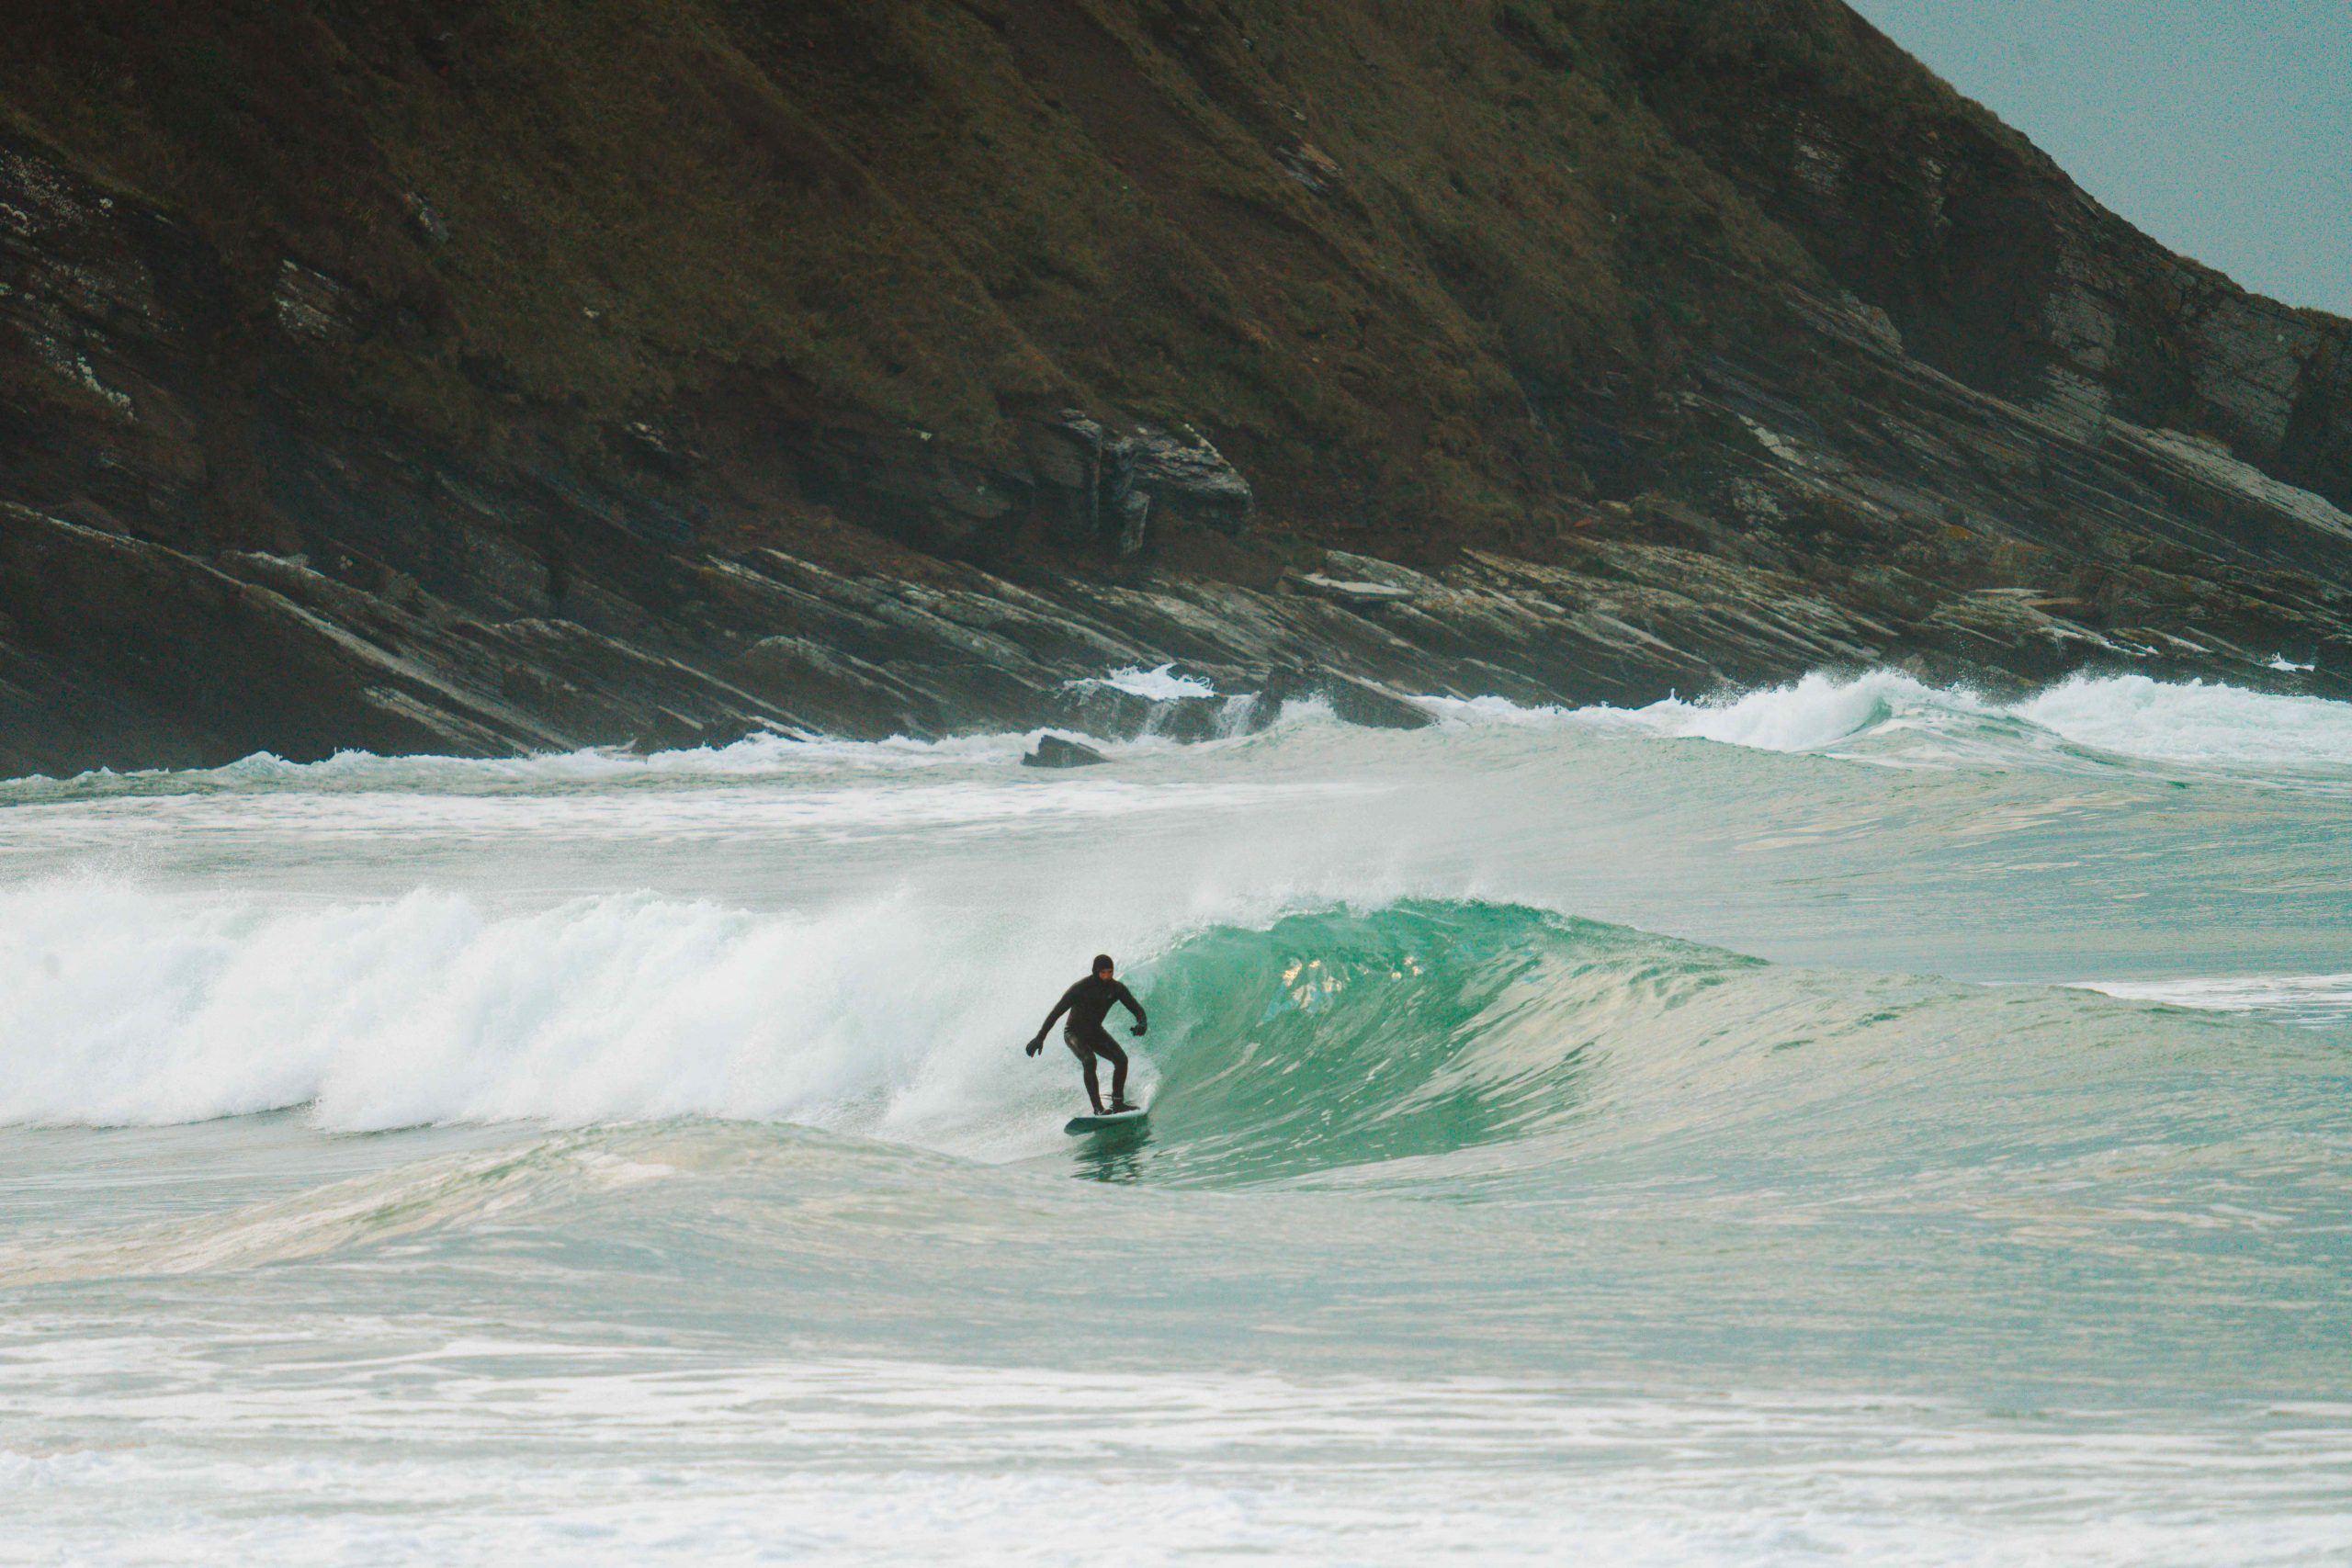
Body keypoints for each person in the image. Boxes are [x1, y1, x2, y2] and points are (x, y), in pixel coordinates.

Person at [1025, 953, 1148, 1114]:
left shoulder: (1116, 988)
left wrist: (1142, 1022)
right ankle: (1098, 1108)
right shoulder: (1080, 988)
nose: (1107, 976)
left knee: (1121, 1060)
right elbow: (1056, 1013)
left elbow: (1136, 1008)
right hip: (1073, 1033)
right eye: (1103, 972)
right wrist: (1040, 1038)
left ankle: (1118, 1104)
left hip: (1095, 1031)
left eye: (1110, 972)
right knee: (1089, 1060)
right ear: (1095, 971)